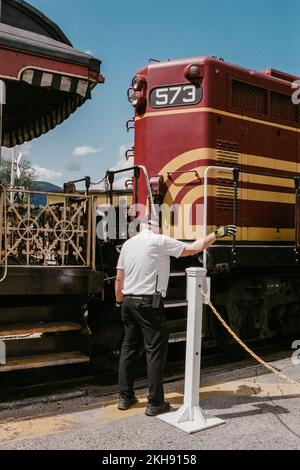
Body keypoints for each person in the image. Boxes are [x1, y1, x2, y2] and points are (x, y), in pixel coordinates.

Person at [115, 216, 237, 416]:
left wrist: (120, 300)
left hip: (128, 302)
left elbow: (119, 278)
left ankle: (125, 397)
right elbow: (194, 248)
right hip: (148, 304)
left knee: (128, 349)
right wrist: (217, 234)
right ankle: (155, 403)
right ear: (157, 227)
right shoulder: (159, 240)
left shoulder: (128, 245)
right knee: (154, 351)